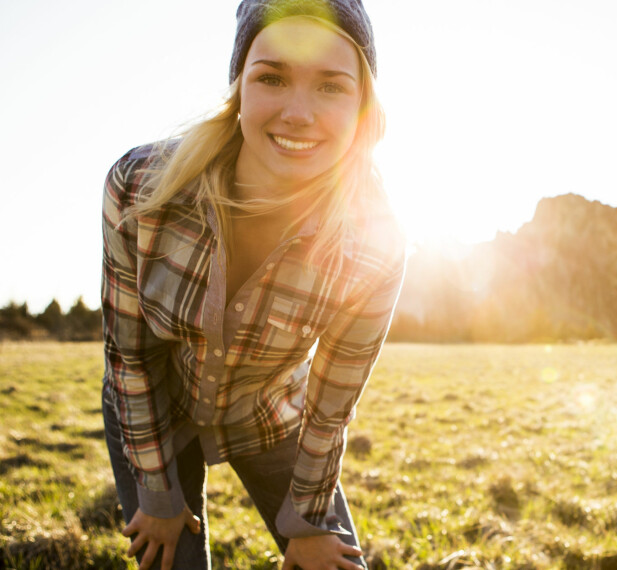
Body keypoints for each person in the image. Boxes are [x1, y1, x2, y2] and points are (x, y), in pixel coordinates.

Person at [100, 1, 404, 569]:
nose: (297, 112)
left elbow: (330, 406)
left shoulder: (374, 244)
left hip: (272, 416)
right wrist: (159, 495)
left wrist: (308, 520)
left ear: (363, 104)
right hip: (151, 412)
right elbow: (130, 359)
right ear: (239, 85)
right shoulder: (142, 187)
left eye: (331, 87)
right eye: (271, 77)